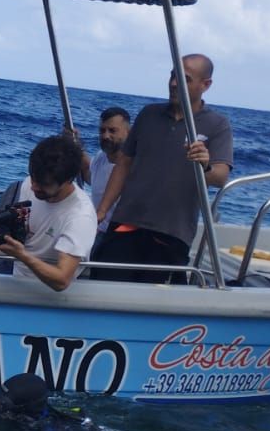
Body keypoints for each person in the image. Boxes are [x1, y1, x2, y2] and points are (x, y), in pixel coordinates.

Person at [91, 54, 234, 283]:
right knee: (103, 283)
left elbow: (220, 178)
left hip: (171, 233)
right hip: (126, 223)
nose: (174, 83)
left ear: (205, 85)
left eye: (184, 78)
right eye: (172, 75)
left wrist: (205, 165)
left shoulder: (217, 125)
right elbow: (124, 164)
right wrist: (102, 210)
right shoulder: (148, 114)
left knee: (155, 297)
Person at [0, 134, 96, 292]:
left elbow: (62, 280)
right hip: (15, 267)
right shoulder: (32, 183)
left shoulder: (80, 216)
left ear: (68, 180)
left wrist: (22, 255)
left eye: (43, 184)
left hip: (41, 285)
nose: (34, 187)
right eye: (33, 178)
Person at [85, 106, 131, 242]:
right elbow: (91, 179)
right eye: (102, 130)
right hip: (96, 230)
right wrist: (77, 147)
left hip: (119, 236)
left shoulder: (136, 165)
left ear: (128, 132)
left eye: (112, 131)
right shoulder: (100, 157)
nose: (106, 136)